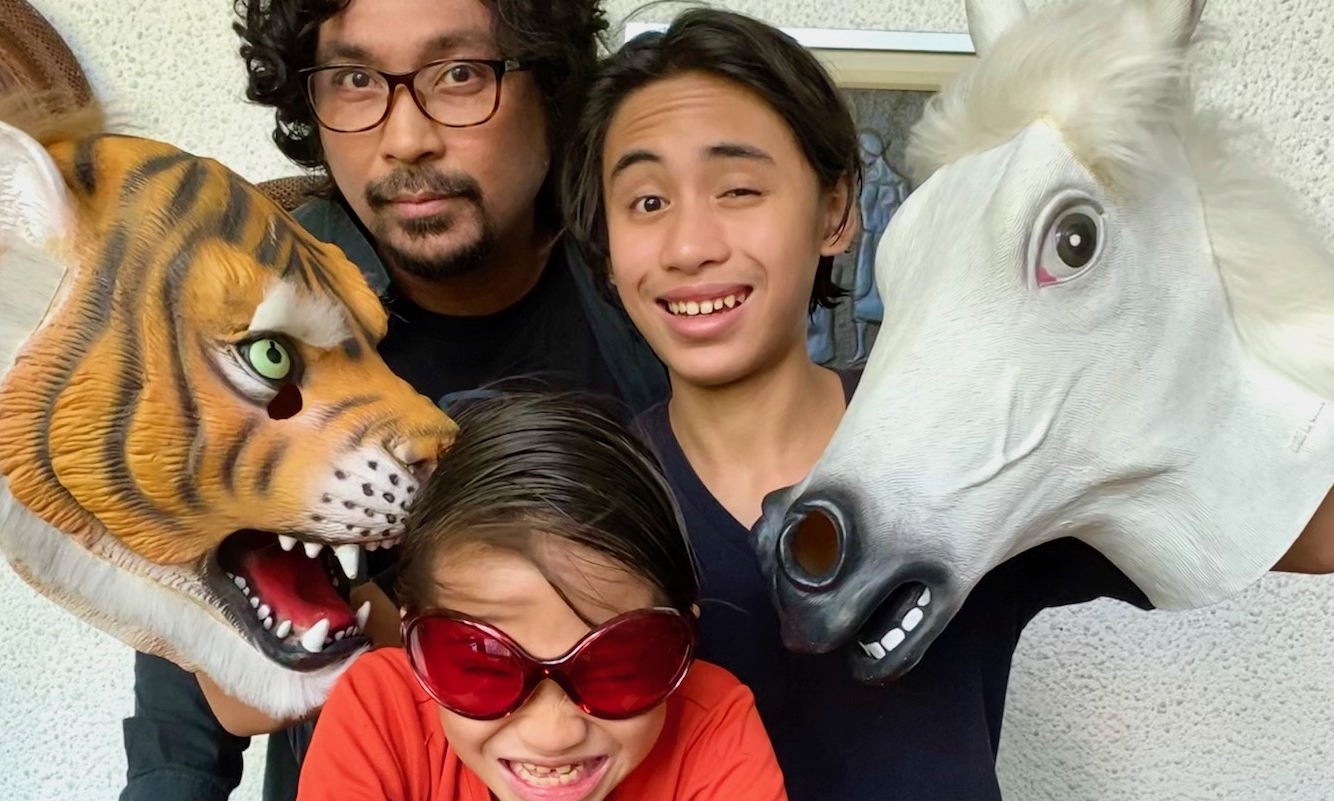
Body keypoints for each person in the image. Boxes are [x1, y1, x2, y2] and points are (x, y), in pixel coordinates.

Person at [559, 9, 1151, 800]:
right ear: (605, 248)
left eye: (738, 189)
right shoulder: (584, 501)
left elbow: (1282, 522)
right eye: (646, 202)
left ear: (836, 210)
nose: (689, 246)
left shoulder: (968, 430)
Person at [118, 2, 667, 800]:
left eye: (459, 74)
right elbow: (185, 692)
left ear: (550, 88)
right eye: (354, 80)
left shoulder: (654, 277)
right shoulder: (261, 302)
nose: (406, 138)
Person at [294, 392, 789, 801]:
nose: (553, 736)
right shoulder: (380, 712)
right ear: (413, 643)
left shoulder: (712, 722)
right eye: (481, 663)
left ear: (683, 641)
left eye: (617, 665)